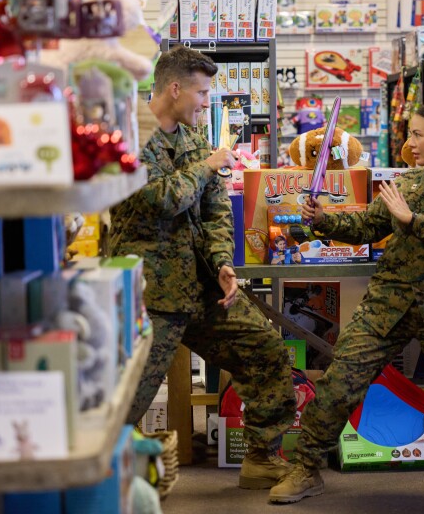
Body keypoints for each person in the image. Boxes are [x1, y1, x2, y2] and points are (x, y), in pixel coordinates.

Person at [269, 100, 424, 503]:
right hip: (388, 301)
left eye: (418, 134)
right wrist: (324, 219)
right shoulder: (407, 182)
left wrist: (414, 221)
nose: (410, 143)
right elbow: (368, 225)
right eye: (410, 133)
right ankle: (306, 469)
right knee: (339, 384)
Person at [109, 46, 297, 490]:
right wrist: (209, 164)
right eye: (203, 92)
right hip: (152, 293)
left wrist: (222, 264)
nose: (207, 101)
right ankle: (104, 480)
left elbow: (215, 210)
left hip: (202, 288)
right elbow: (161, 199)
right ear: (175, 89)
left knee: (265, 350)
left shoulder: (193, 139)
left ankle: (262, 457)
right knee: (126, 396)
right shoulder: (130, 137)